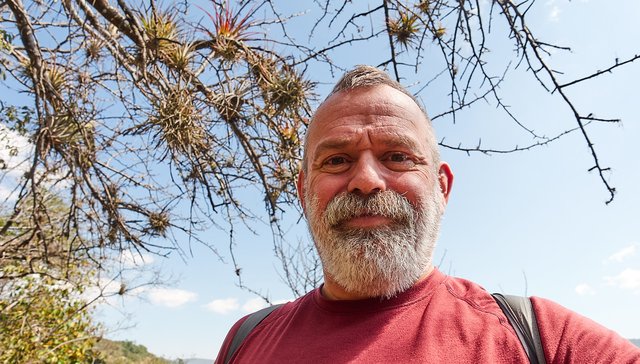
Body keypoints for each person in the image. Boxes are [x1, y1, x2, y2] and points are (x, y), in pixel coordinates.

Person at [215, 65, 640, 363]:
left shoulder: (545, 340)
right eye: (336, 160)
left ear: (442, 187)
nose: (366, 180)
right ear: (304, 191)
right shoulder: (244, 342)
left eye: (397, 156)